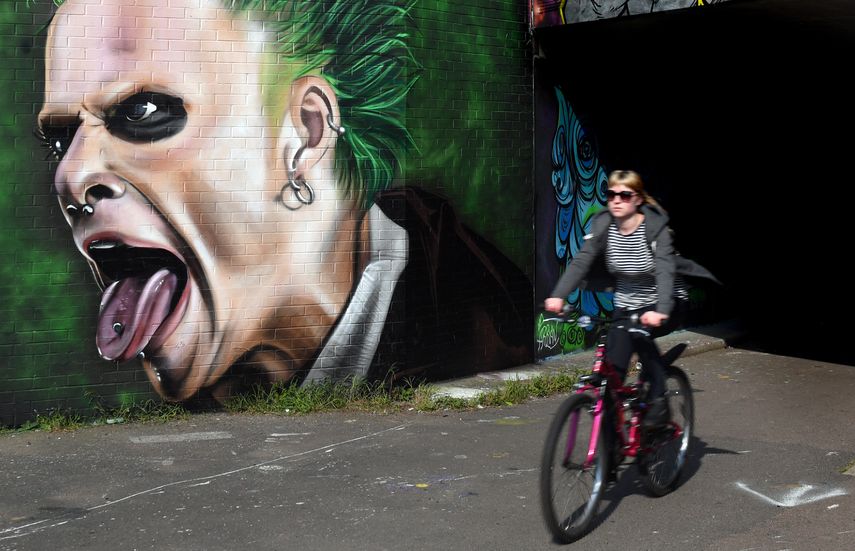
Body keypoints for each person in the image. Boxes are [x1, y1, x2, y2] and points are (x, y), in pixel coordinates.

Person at [37, 0, 531, 403]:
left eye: (143, 111)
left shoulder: (480, 321)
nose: (70, 174)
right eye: (60, 139)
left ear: (307, 133)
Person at [545, 169, 718, 427]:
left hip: (665, 300)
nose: (616, 199)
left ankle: (659, 404)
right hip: (626, 305)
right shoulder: (604, 224)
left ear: (637, 199)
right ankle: (610, 451)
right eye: (611, 194)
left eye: (625, 195)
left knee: (641, 336)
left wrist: (661, 309)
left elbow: (664, 269)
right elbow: (582, 261)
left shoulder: (653, 228)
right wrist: (558, 295)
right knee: (612, 377)